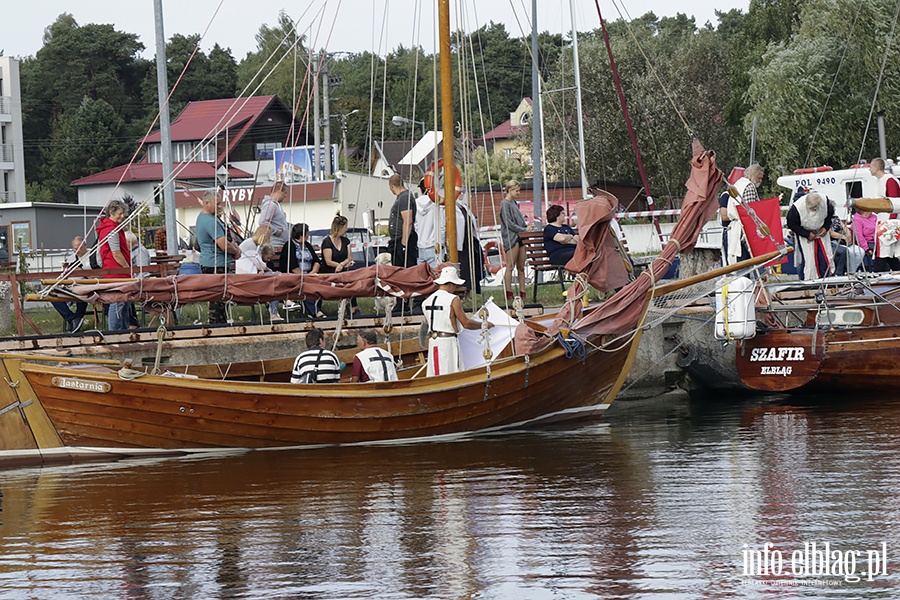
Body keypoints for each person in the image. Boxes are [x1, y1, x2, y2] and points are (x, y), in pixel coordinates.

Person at [421, 265, 494, 377]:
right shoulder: (453, 299)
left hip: (433, 341)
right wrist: (484, 325)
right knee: (450, 372)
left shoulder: (427, 301)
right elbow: (466, 323)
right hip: (448, 342)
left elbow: (427, 323)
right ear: (451, 284)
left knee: (436, 371)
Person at [196, 190, 241, 324]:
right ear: (207, 203)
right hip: (215, 265)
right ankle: (217, 327)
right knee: (218, 299)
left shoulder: (207, 218)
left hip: (213, 263)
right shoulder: (210, 222)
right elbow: (223, 245)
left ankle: (220, 325)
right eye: (217, 204)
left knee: (221, 299)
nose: (220, 206)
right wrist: (236, 251)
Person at [97, 199, 132, 330]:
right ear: (112, 212)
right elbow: (116, 253)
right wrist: (128, 269)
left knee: (122, 302)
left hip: (112, 269)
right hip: (117, 271)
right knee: (118, 302)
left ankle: (122, 330)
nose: (122, 216)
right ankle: (116, 332)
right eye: (120, 213)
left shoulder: (107, 228)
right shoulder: (112, 229)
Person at [52, 235, 98, 332]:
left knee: (82, 295)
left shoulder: (93, 257)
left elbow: (98, 278)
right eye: (75, 249)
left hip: (86, 286)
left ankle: (77, 319)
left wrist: (82, 271)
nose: (77, 251)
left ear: (85, 245)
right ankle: (72, 318)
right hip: (70, 285)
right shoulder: (71, 258)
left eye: (79, 248)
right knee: (53, 296)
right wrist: (65, 271)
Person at [279, 223, 325, 319]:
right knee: (305, 285)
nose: (309, 235)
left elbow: (316, 261)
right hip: (295, 276)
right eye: (307, 233)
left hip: (310, 275)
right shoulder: (289, 246)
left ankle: (316, 310)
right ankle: (315, 312)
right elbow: (291, 266)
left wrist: (312, 273)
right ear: (301, 235)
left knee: (317, 283)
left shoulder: (307, 245)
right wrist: (305, 277)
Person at [499, 179, 534, 303]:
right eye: (516, 190)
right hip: (512, 237)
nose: (518, 193)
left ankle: (523, 292)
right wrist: (523, 229)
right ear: (510, 190)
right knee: (510, 266)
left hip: (520, 236)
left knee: (521, 266)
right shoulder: (505, 204)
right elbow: (508, 223)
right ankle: (509, 292)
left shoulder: (514, 203)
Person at [786, 191, 834, 280]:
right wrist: (806, 234)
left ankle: (826, 279)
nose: (815, 209)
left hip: (821, 233)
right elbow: (791, 224)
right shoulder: (797, 208)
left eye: (816, 207)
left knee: (824, 258)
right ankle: (809, 282)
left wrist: (826, 227)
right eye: (813, 207)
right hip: (806, 236)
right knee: (809, 261)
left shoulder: (825, 201)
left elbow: (830, 215)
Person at [723, 164, 764, 265]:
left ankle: (743, 279)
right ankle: (760, 278)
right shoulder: (749, 187)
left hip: (737, 227)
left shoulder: (738, 184)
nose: (760, 181)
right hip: (745, 228)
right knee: (757, 260)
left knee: (742, 262)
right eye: (759, 178)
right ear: (752, 175)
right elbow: (750, 210)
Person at [320, 214, 359, 317]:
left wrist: (342, 264)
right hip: (329, 269)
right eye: (345, 227)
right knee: (344, 277)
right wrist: (338, 266)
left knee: (351, 278)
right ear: (340, 227)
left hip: (342, 267)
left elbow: (349, 257)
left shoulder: (346, 241)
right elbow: (328, 261)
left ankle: (353, 307)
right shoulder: (327, 242)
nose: (346, 229)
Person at [868, 158, 900, 271]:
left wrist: (891, 224)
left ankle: (878, 273)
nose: (869, 169)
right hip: (882, 220)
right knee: (886, 252)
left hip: (889, 222)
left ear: (876, 168)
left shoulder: (889, 180)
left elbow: (895, 203)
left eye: (871, 166)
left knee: (885, 251)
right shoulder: (879, 181)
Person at [387, 174, 417, 268]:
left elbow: (408, 221)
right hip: (397, 240)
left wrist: (403, 244)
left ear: (392, 186)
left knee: (404, 270)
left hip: (402, 240)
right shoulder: (402, 197)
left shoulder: (404, 198)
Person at [258, 180, 291, 250]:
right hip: (275, 245)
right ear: (279, 192)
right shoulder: (270, 205)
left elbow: (280, 223)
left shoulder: (277, 205)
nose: (285, 196)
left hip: (282, 244)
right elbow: (263, 222)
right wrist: (277, 231)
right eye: (285, 193)